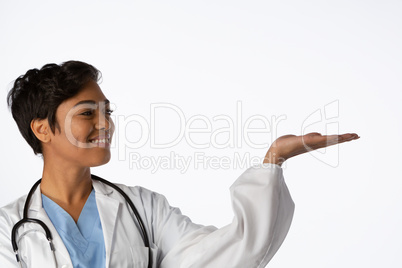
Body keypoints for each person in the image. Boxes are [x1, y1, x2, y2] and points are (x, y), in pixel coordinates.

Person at [0, 61, 359, 268]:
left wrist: (274, 159)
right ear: (42, 129)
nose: (105, 123)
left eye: (107, 111)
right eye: (87, 113)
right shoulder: (7, 230)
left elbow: (224, 256)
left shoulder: (143, 208)